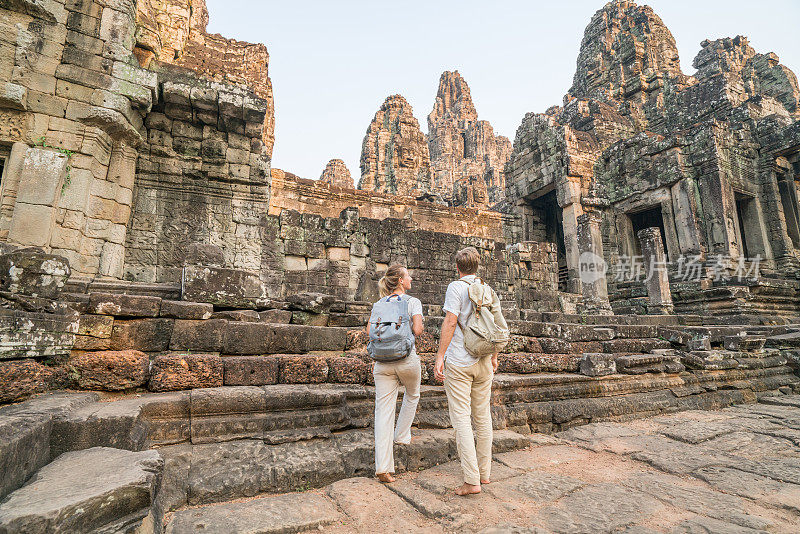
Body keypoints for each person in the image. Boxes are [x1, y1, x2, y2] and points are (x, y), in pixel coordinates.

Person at [434, 247, 499, 496]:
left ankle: (472, 481)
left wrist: (440, 355)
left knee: (461, 417)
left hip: (461, 360)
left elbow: (451, 321)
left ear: (457, 267)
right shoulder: (487, 288)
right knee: (482, 417)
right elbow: (497, 324)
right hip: (484, 358)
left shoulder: (456, 287)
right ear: (477, 266)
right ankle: (484, 473)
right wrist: (495, 355)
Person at [368, 264, 424, 483]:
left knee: (383, 412)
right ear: (401, 280)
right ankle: (401, 435)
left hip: (382, 362)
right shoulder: (412, 302)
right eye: (408, 275)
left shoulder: (379, 303)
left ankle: (383, 467)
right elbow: (418, 330)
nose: (410, 278)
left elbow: (368, 331)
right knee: (413, 394)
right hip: (406, 359)